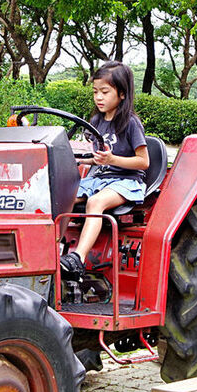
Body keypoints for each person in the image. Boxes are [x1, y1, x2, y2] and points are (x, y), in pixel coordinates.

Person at [60, 61, 149, 280]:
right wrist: (81, 160)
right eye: (95, 92)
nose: (98, 97)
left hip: (126, 181)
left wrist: (113, 159)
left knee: (95, 202)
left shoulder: (130, 123)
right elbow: (98, 159)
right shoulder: (96, 121)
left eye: (105, 92)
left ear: (121, 94)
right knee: (61, 198)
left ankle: (77, 259)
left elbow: (143, 162)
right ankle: (52, 251)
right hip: (100, 179)